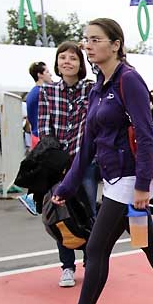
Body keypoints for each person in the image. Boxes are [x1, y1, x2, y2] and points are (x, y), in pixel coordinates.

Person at [41, 18, 153, 304]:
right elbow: (88, 144)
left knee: (97, 248)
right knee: (147, 241)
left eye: (96, 39)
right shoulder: (99, 86)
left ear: (116, 44)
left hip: (130, 179)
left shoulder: (129, 80)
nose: (88, 45)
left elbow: (146, 135)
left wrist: (141, 185)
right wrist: (67, 186)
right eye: (86, 39)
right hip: (114, 177)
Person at [32, 41, 97, 287]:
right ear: (57, 63)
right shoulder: (47, 92)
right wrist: (54, 160)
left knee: (89, 212)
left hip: (85, 161)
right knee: (60, 214)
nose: (67, 62)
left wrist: (89, 50)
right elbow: (44, 129)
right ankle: (67, 266)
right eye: (63, 58)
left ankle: (91, 261)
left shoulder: (90, 89)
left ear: (81, 64)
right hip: (57, 164)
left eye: (73, 58)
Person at [25, 62, 54, 142]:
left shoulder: (31, 93)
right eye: (47, 72)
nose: (50, 75)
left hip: (35, 136)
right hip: (43, 139)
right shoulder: (42, 92)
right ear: (39, 75)